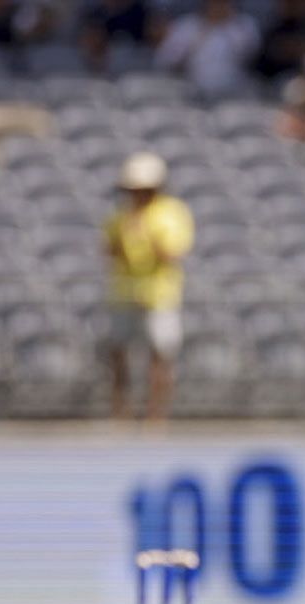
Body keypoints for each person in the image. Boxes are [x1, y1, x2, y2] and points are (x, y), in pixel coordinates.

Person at [103, 151, 194, 421]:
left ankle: (156, 415)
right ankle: (122, 412)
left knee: (160, 356)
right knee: (119, 354)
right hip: (124, 293)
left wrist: (147, 235)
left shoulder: (172, 213)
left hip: (160, 295)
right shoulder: (120, 217)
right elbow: (109, 251)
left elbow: (172, 253)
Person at [154, 0, 260, 98]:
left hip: (235, 93)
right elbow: (164, 61)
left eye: (223, 2)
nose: (218, 6)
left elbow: (254, 59)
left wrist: (225, 27)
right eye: (214, 3)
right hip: (193, 93)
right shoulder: (188, 25)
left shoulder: (244, 25)